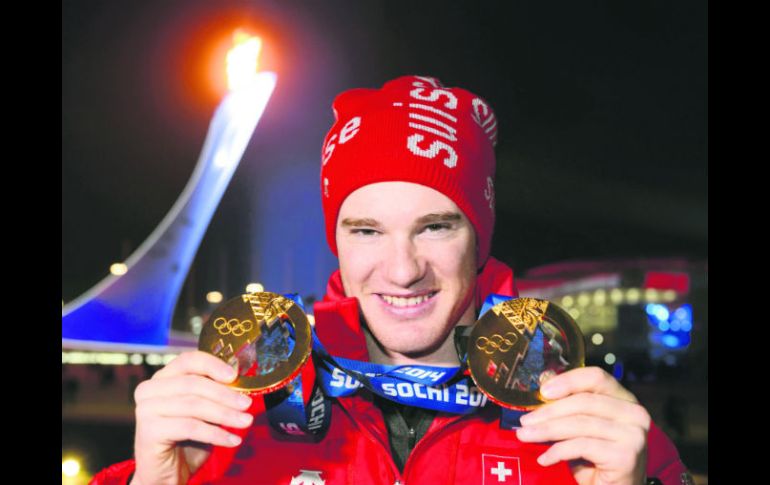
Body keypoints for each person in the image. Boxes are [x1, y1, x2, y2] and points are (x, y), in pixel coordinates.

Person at [92, 75, 690, 485]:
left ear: (478, 237)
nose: (402, 271)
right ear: (337, 242)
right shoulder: (238, 407)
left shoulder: (585, 416)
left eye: (434, 227)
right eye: (367, 231)